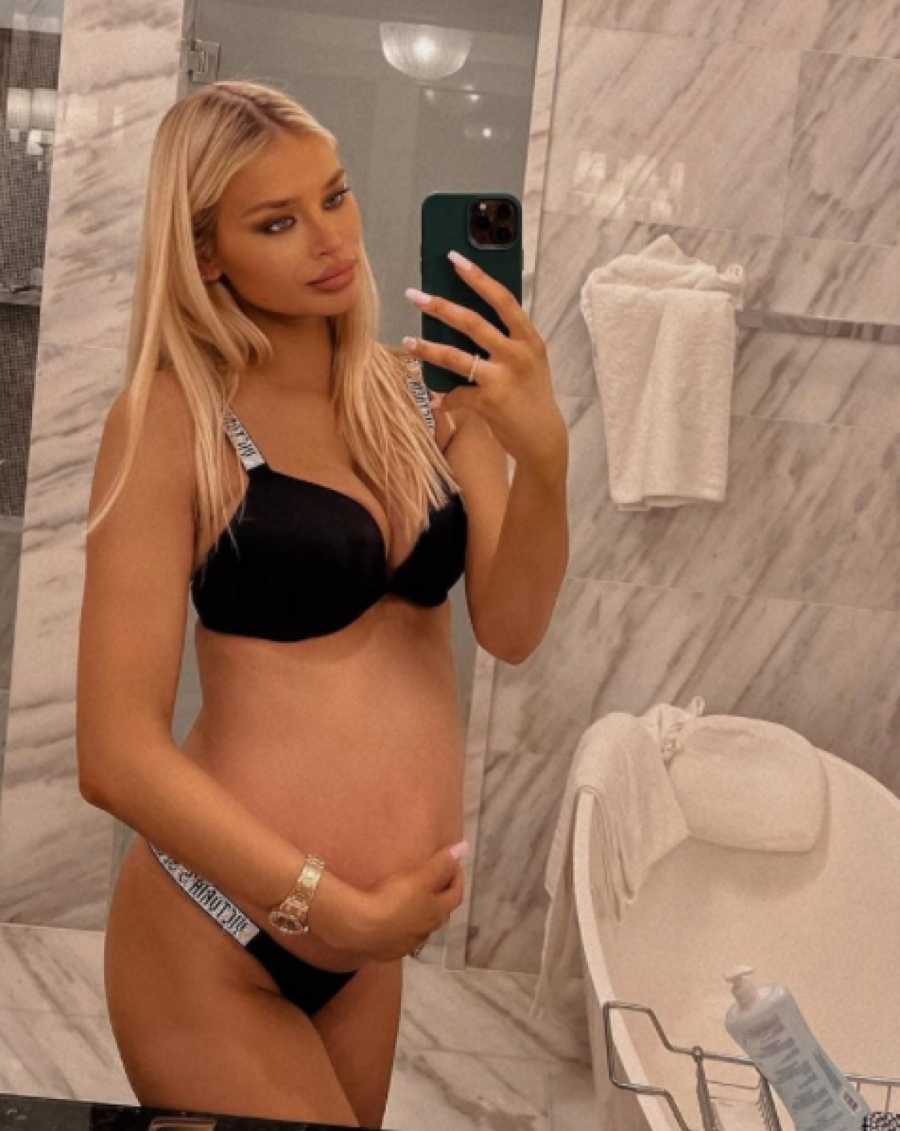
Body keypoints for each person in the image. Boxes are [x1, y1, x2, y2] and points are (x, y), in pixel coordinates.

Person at [75, 80, 568, 1128]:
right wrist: (332, 906)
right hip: (215, 930)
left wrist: (547, 460)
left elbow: (514, 627)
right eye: (276, 222)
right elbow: (114, 752)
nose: (330, 238)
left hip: (365, 954)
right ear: (207, 252)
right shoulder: (172, 419)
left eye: (334, 197)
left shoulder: (423, 396)